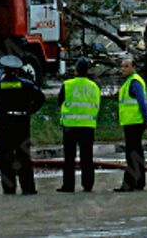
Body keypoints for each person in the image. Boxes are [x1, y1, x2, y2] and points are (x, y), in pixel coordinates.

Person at [0, 55, 45, 195]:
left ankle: (9, 188)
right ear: (18, 71)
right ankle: (28, 188)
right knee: (23, 156)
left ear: (5, 70)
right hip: (21, 122)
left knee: (5, 156)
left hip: (4, 123)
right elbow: (40, 98)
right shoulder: (26, 84)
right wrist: (30, 111)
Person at [56, 57, 100, 193]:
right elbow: (97, 105)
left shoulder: (67, 84)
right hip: (87, 126)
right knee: (87, 156)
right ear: (87, 70)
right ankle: (88, 185)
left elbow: (60, 101)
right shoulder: (94, 86)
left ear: (75, 70)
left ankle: (68, 185)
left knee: (69, 158)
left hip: (70, 126)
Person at [115, 56, 147, 192]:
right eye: (122, 66)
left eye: (126, 66)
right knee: (137, 152)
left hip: (134, 122)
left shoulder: (134, 82)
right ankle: (139, 182)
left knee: (131, 154)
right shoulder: (130, 81)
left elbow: (142, 102)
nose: (123, 69)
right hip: (132, 121)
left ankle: (129, 183)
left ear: (133, 67)